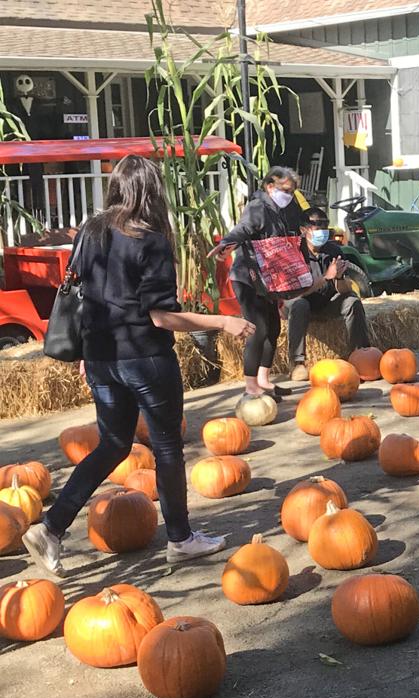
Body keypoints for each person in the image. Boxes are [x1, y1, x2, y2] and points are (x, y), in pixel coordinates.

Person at [22, 155, 254, 577]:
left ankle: (51, 527)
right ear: (153, 192)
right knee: (166, 446)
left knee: (113, 444)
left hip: (101, 359)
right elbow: (161, 316)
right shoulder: (150, 239)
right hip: (145, 359)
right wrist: (224, 320)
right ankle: (181, 539)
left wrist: (86, 354)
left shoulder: (88, 233)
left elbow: (80, 297)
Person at [214, 167, 304, 399]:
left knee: (273, 327)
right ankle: (250, 386)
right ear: (270, 187)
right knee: (258, 328)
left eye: (293, 191)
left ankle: (264, 380)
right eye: (286, 190)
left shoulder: (289, 207)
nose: (290, 195)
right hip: (248, 277)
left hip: (271, 279)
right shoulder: (257, 207)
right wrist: (227, 243)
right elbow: (243, 229)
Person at [283, 207, 371, 381]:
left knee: (352, 301)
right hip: (298, 304)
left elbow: (345, 290)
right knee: (300, 304)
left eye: (325, 228)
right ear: (303, 230)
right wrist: (325, 278)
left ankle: (360, 354)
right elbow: (296, 294)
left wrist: (338, 278)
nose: (322, 233)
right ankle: (297, 363)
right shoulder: (294, 253)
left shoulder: (333, 251)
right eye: (317, 228)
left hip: (326, 303)